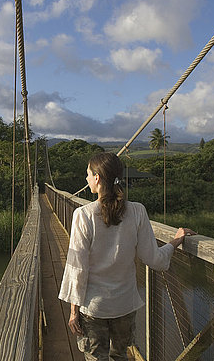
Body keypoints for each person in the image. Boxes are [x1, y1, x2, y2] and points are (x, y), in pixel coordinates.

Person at [58, 152, 195, 360]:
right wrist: (176, 240)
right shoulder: (138, 211)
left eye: (87, 174)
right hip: (125, 305)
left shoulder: (83, 215)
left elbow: (78, 268)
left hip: (94, 308)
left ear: (97, 178)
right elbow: (154, 259)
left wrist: (73, 311)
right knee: (120, 356)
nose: (86, 180)